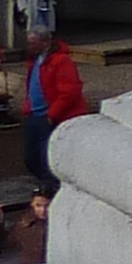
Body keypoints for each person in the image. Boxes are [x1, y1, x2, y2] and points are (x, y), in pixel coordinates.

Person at [23, 35, 86, 205]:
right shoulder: (35, 60)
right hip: (35, 116)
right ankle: (48, 187)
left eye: (32, 43)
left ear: (44, 42)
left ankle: (51, 191)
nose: (28, 45)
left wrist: (52, 114)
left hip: (53, 118)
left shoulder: (61, 61)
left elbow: (69, 92)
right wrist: (28, 109)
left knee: (47, 157)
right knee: (31, 157)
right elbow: (32, 86)